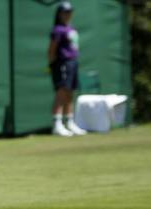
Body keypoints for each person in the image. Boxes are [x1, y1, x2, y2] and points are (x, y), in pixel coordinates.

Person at [48, 2, 87, 137]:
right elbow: (52, 49)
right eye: (65, 12)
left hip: (72, 63)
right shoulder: (58, 30)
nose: (68, 15)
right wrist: (52, 64)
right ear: (59, 14)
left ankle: (69, 122)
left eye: (69, 12)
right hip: (61, 63)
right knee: (61, 92)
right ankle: (57, 124)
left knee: (70, 92)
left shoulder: (70, 28)